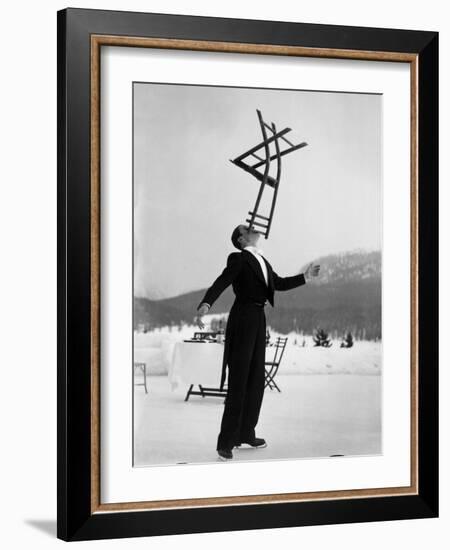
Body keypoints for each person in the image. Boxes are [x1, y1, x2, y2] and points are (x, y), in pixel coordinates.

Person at [195, 224, 320, 461]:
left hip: (258, 318)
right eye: (248, 228)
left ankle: (246, 433)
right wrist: (206, 304)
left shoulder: (263, 261)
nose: (254, 229)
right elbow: (222, 281)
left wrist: (306, 276)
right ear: (241, 239)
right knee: (239, 378)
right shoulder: (239, 258)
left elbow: (279, 283)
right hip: (242, 318)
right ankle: (226, 441)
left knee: (255, 379)